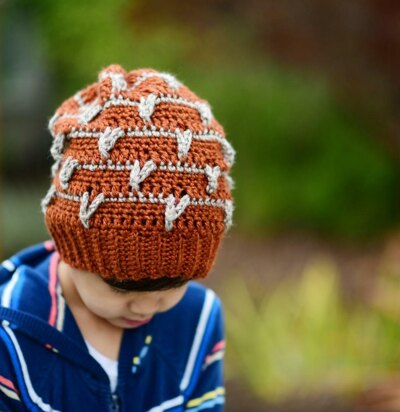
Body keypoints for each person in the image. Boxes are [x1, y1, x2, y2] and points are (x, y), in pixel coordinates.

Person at [0, 64, 235, 411]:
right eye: (121, 286)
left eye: (174, 283)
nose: (145, 307)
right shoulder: (12, 336)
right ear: (71, 245)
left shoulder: (197, 323)